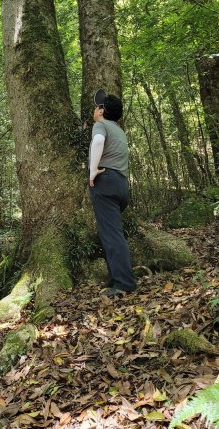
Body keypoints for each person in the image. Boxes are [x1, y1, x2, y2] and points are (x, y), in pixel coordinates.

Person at [89, 90, 136, 297]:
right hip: (121, 184)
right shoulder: (119, 130)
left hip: (105, 183)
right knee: (113, 233)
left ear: (101, 110)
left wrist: (92, 170)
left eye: (97, 106)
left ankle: (124, 283)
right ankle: (117, 276)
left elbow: (98, 142)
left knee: (112, 235)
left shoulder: (100, 126)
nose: (94, 110)